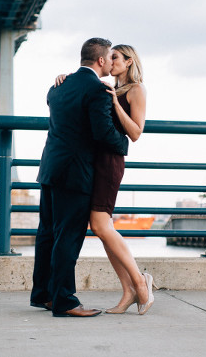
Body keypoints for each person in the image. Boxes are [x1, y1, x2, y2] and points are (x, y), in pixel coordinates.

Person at [30, 37, 129, 318]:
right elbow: (102, 132)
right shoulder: (98, 90)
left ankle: (44, 295)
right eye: (110, 57)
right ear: (101, 60)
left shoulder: (57, 86)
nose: (111, 62)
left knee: (47, 234)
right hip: (76, 172)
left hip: (50, 168)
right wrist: (124, 143)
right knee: (68, 236)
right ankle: (65, 301)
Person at [55, 44, 153, 315]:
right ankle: (128, 290)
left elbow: (136, 132)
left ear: (129, 61)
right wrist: (65, 79)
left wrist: (115, 105)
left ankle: (140, 282)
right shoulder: (107, 87)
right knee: (102, 227)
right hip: (92, 162)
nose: (110, 61)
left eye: (115, 57)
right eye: (109, 57)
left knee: (100, 225)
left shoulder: (136, 89)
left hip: (110, 163)